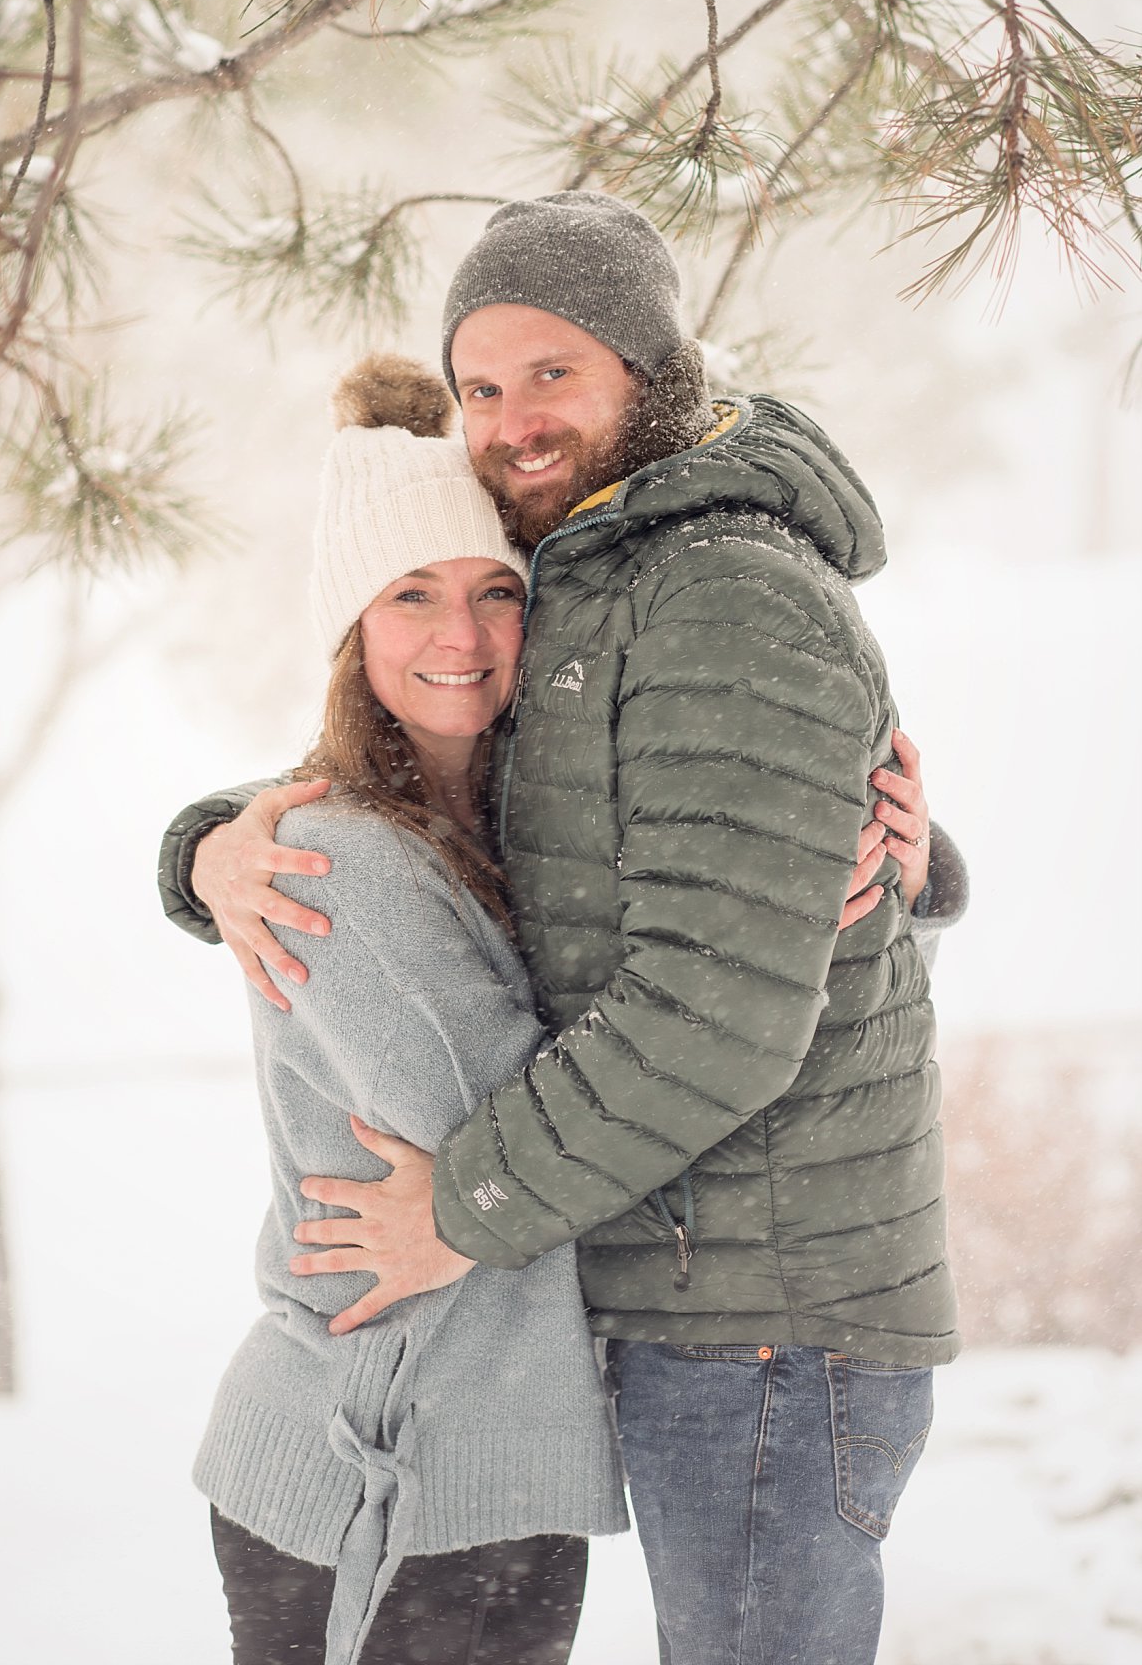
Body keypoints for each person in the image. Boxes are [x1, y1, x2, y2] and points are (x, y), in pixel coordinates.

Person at [164, 192, 970, 1665]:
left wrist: (454, 1208)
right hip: (696, 1294)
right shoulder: (601, 577)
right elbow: (522, 804)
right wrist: (212, 842)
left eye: (555, 373)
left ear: (648, 373)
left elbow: (711, 1010)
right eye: (482, 384)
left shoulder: (713, 589)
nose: (513, 419)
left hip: (765, 1315)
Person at [192, 353, 628, 1665]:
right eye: (414, 595)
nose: (462, 636)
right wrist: (733, 1004)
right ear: (353, 627)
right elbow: (526, 1131)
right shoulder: (336, 857)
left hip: (465, 1465)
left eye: (497, 591)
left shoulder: (504, 829)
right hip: (391, 1471)